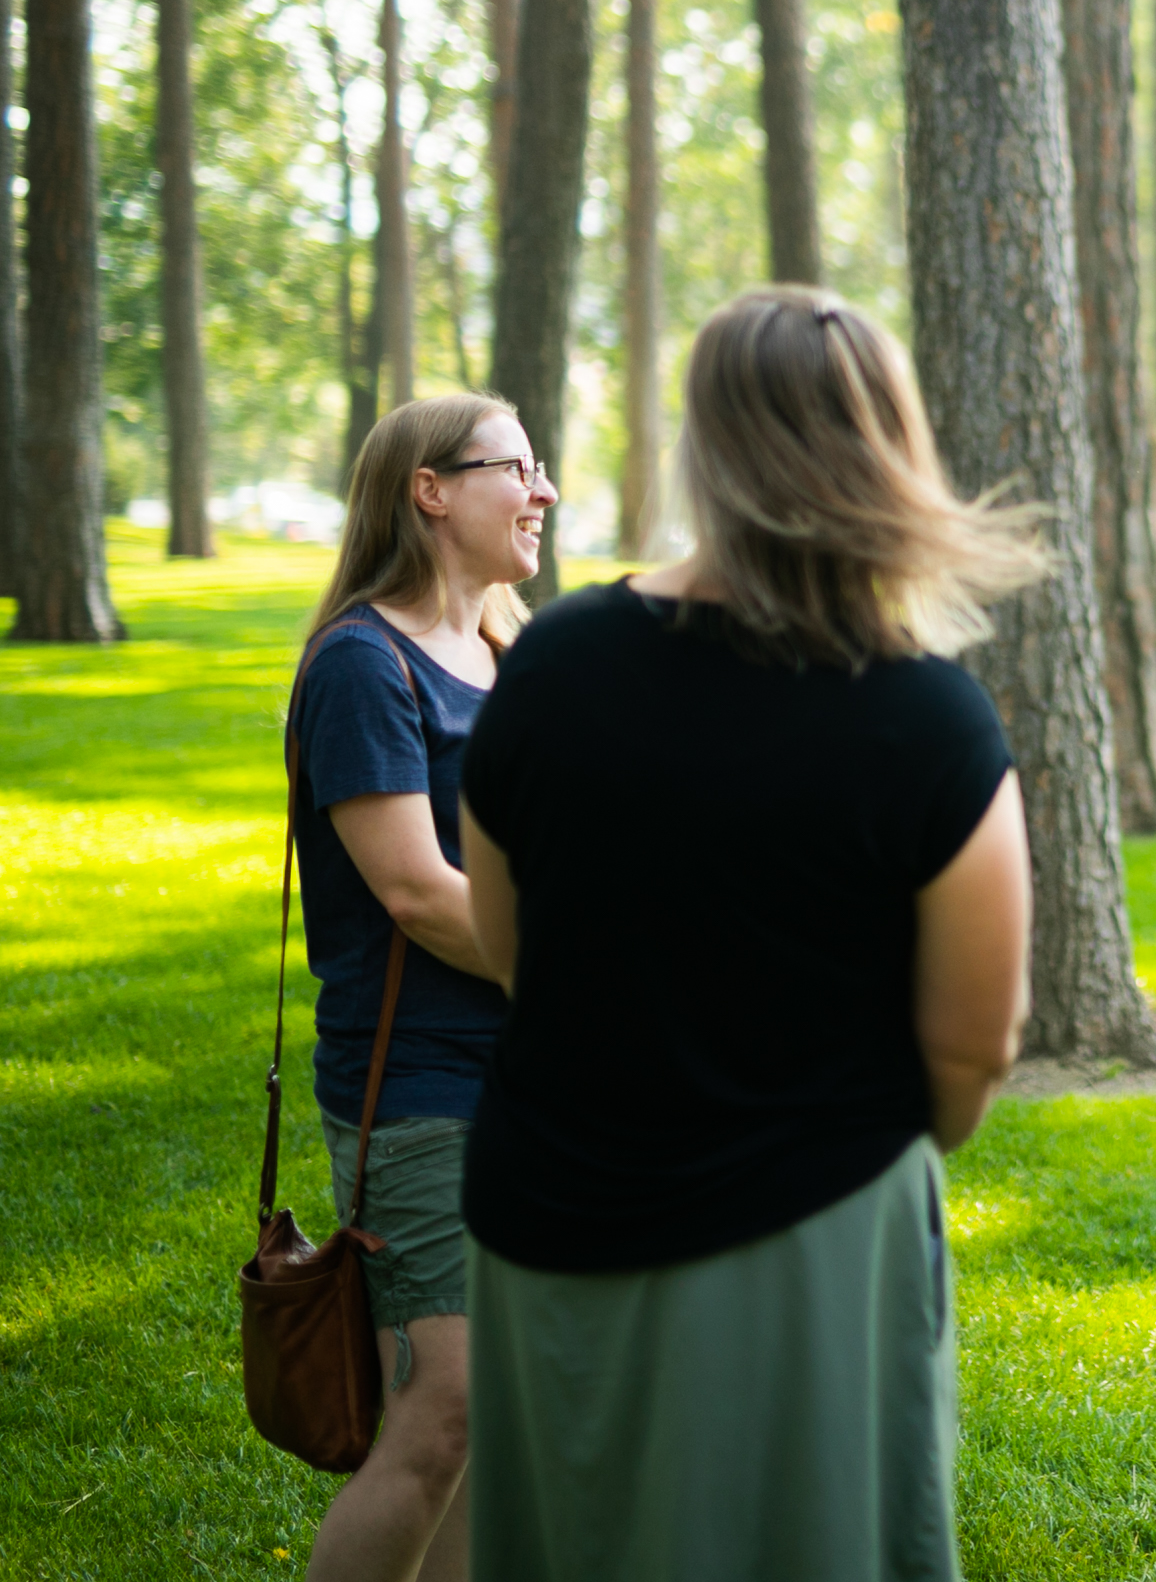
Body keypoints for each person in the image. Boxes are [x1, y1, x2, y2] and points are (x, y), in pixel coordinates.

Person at [456, 287, 1038, 1581]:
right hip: (812, 1239)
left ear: (704, 445)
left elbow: (508, 945)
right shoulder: (925, 715)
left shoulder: (551, 665)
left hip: (552, 1220)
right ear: (890, 448)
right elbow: (975, 1045)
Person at [291, 392, 557, 1582]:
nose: (543, 490)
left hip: (538, 1078)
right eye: (516, 467)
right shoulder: (364, 662)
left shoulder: (514, 655)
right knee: (441, 1412)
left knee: (497, 1421)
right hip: (421, 1086)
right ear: (431, 490)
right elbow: (416, 889)